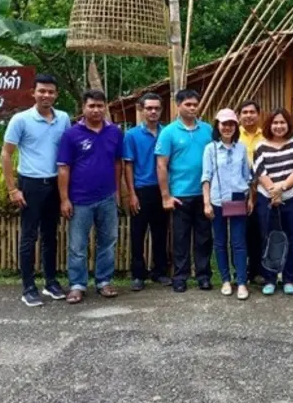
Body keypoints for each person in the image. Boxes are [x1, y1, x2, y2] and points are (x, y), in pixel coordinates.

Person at [1, 74, 70, 307]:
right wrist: (13, 189)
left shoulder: (63, 119)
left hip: (55, 183)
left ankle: (50, 282)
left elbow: (67, 153)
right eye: (42, 91)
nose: (46, 95)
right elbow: (6, 154)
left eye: (50, 92)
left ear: (56, 95)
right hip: (30, 184)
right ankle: (28, 288)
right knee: (29, 236)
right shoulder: (20, 120)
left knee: (51, 235)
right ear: (33, 93)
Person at [57, 90, 124, 304]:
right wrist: (64, 199)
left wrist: (116, 191)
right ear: (83, 108)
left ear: (105, 107)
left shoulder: (114, 132)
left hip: (107, 197)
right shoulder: (71, 135)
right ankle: (77, 285)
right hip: (79, 199)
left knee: (108, 241)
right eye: (91, 106)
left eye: (100, 106)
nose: (96, 110)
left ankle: (104, 281)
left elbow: (118, 163)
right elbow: (64, 168)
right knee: (77, 245)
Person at [156, 89, 214, 293]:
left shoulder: (207, 129)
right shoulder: (168, 132)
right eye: (188, 104)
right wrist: (166, 196)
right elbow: (161, 165)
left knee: (204, 238)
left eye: (195, 104)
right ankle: (180, 277)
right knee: (180, 239)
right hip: (180, 195)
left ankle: (203, 276)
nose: (192, 108)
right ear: (178, 105)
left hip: (204, 194)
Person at [253, 108, 293, 295]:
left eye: (282, 122)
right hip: (267, 200)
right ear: (269, 125)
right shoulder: (260, 147)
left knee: (292, 238)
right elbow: (260, 173)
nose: (279, 126)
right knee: (269, 238)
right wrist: (273, 193)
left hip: (292, 198)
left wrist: (281, 188)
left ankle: (288, 279)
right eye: (275, 122)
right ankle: (269, 278)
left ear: (288, 124)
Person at [202, 109, 253, 300]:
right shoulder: (210, 149)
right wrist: (206, 202)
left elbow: (247, 176)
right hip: (217, 199)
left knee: (239, 242)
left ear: (236, 127)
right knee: (220, 242)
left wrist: (251, 199)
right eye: (224, 124)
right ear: (217, 126)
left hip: (238, 197)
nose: (227, 127)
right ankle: (225, 280)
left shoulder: (241, 148)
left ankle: (241, 282)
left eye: (231, 124)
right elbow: (206, 176)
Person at [123, 93, 170, 291]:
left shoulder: (167, 132)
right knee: (138, 233)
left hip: (163, 189)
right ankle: (138, 274)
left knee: (161, 232)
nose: (153, 112)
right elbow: (128, 165)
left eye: (156, 108)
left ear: (161, 110)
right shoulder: (131, 135)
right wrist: (131, 194)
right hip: (141, 189)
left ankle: (160, 271)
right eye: (149, 108)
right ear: (141, 110)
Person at [238, 100, 265, 283]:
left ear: (258, 114)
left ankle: (258, 270)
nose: (248, 115)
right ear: (239, 115)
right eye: (245, 112)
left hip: (261, 189)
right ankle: (241, 271)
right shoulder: (234, 134)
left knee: (259, 230)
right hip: (239, 191)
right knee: (240, 232)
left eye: (252, 112)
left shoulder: (266, 136)